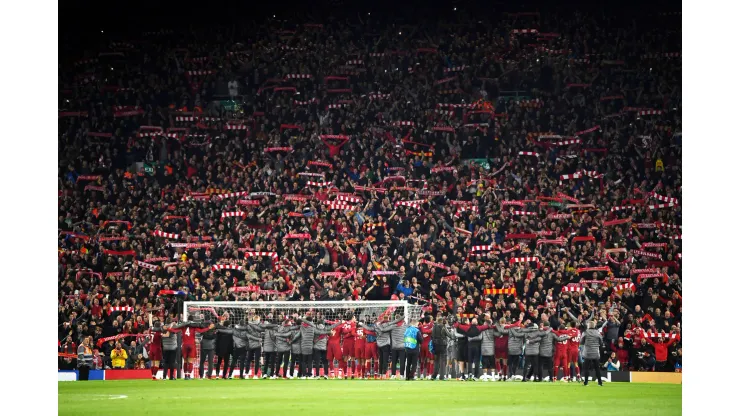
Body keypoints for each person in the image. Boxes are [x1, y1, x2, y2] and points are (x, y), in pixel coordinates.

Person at [383, 313, 409, 379]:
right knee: (402, 361)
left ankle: (393, 375)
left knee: (394, 361)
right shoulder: (405, 326)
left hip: (394, 346)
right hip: (402, 346)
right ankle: (402, 375)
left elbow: (384, 330)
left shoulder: (392, 326)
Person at [580, 321, 605, 386]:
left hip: (587, 353)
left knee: (586, 368)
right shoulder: (597, 332)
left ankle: (586, 382)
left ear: (588, 325)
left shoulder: (585, 332)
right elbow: (601, 342)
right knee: (597, 368)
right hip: (595, 353)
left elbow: (581, 342)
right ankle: (600, 382)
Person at [430, 316, 454, 381]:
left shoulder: (434, 327)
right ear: (442, 321)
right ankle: (442, 377)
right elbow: (450, 335)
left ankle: (434, 376)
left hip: (435, 345)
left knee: (436, 361)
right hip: (442, 345)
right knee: (443, 361)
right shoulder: (443, 327)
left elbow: (432, 335)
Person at [214, 314, 234, 379]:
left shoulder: (219, 331)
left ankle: (217, 375)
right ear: (229, 325)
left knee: (219, 362)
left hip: (220, 349)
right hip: (227, 350)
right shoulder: (231, 332)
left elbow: (217, 340)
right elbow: (232, 341)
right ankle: (224, 376)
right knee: (226, 363)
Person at [147, 313, 164, 380]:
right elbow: (163, 335)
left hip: (151, 348)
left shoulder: (150, 330)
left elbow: (150, 327)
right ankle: (154, 376)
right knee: (157, 363)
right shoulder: (159, 333)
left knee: (152, 362)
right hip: (157, 348)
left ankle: (152, 375)